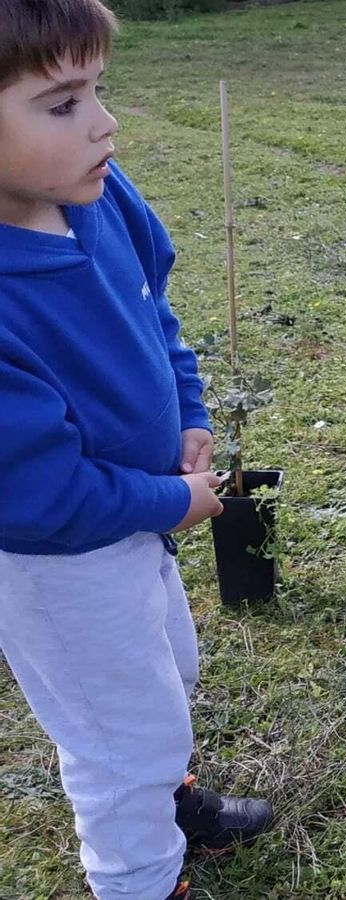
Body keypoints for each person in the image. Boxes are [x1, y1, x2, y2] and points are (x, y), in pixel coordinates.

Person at [0, 2, 276, 897]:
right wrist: (178, 502)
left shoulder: (99, 195)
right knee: (118, 737)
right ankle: (139, 875)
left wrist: (188, 411)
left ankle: (170, 794)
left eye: (99, 90)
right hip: (58, 562)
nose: (104, 122)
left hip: (135, 522)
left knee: (169, 671)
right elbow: (44, 496)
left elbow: (154, 312)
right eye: (61, 102)